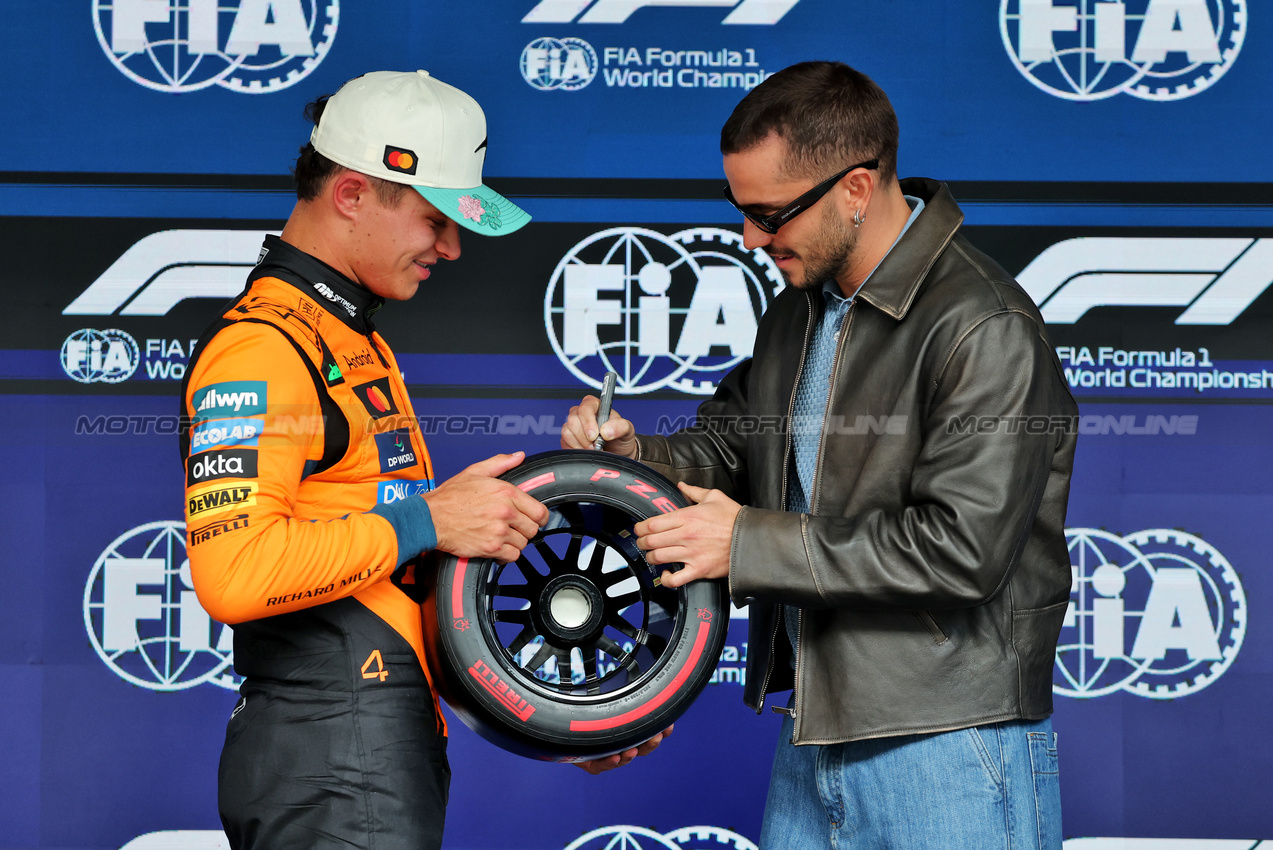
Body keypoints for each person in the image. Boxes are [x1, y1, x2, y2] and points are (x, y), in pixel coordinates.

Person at [563, 61, 1077, 849]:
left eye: (769, 215)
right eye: (739, 210)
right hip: (812, 729)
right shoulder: (800, 309)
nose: (750, 238)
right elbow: (734, 450)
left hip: (950, 744)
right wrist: (633, 454)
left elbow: (962, 552)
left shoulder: (983, 325)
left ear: (856, 188)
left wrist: (744, 543)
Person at [181, 70, 662, 850]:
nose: (451, 246)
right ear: (351, 194)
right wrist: (428, 519)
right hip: (332, 756)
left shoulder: (348, 337)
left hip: (364, 747)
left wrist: (557, 721)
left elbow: (391, 595)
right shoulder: (263, 349)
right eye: (435, 219)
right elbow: (234, 574)